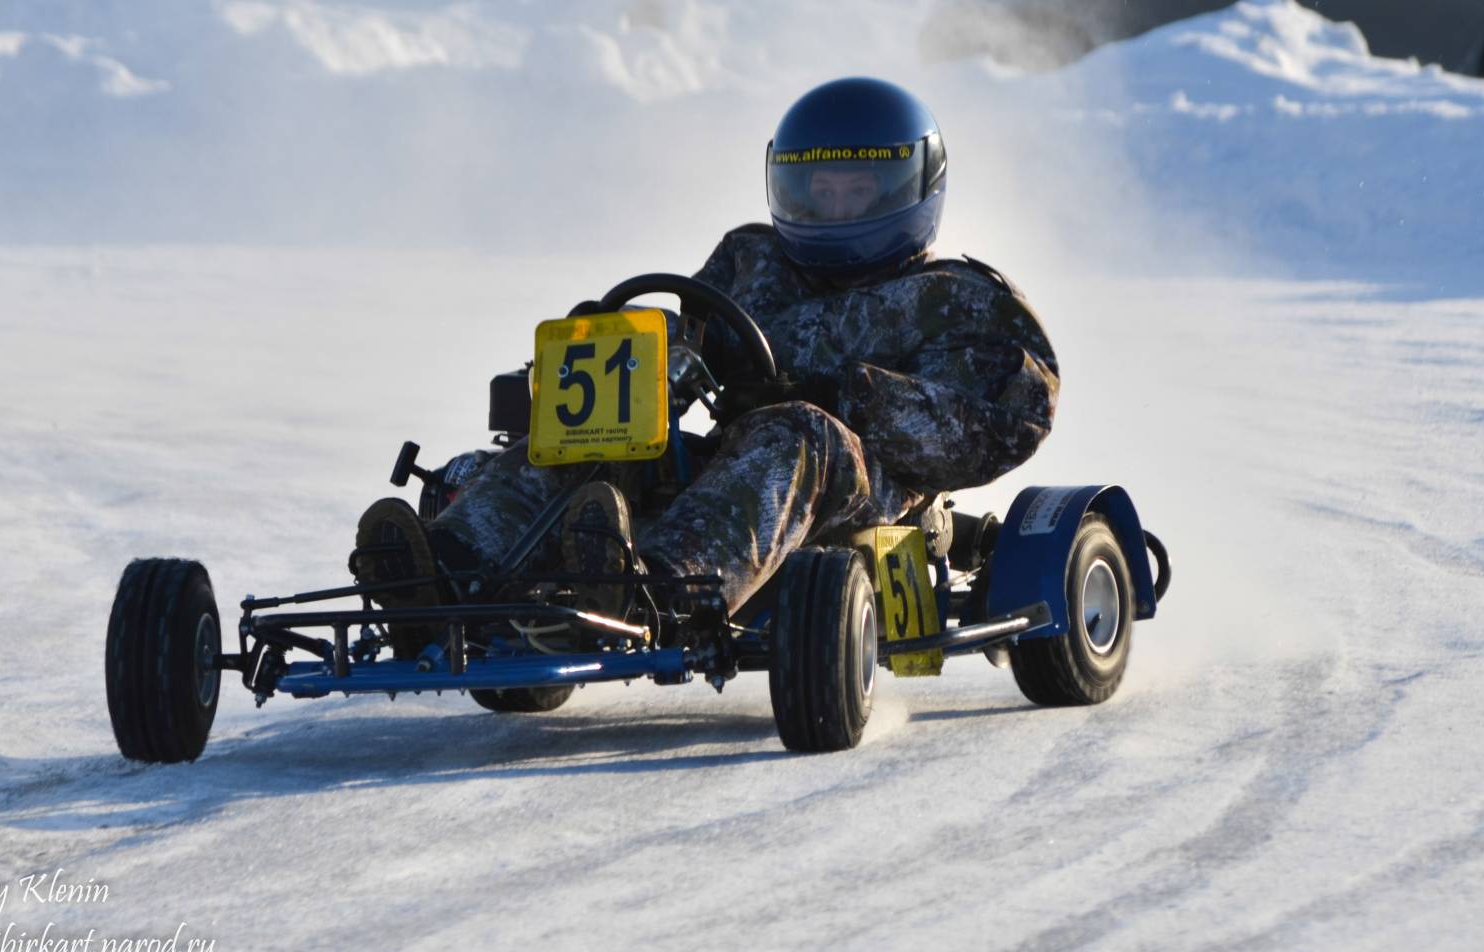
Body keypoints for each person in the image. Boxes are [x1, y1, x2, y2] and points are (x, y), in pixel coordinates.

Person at [352, 77, 1059, 654]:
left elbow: (991, 427)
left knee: (797, 430)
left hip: (863, 488)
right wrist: (617, 351)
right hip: (732, 469)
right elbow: (691, 325)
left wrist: (845, 393)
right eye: (822, 190)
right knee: (600, 437)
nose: (838, 207)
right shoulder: (754, 260)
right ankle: (450, 574)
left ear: (910, 188)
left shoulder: (958, 300)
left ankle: (659, 589)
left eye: (860, 191)